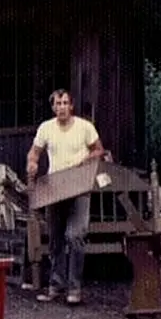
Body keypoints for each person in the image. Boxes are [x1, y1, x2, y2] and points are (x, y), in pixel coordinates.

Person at [25, 89, 109, 306]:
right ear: (53, 108)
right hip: (55, 187)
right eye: (57, 104)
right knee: (55, 239)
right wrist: (32, 163)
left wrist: (88, 158)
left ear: (71, 106)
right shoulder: (46, 128)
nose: (61, 107)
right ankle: (55, 285)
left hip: (79, 185)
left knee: (75, 235)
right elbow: (34, 152)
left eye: (65, 103)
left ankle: (74, 288)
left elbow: (100, 150)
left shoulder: (84, 127)